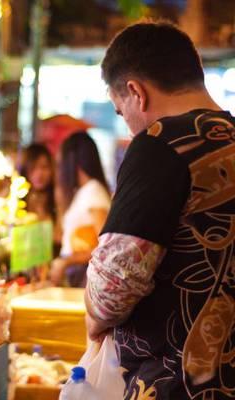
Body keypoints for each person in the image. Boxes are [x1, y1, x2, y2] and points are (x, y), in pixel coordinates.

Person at [84, 21, 235, 399]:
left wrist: (92, 315)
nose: (128, 123)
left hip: (178, 381)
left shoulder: (160, 143)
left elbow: (115, 285)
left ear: (135, 91)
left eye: (121, 111)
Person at [51, 133, 111, 287]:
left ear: (71, 160)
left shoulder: (93, 191)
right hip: (78, 274)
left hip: (83, 275)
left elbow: (105, 246)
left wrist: (67, 261)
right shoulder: (85, 191)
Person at [19, 143, 56, 223]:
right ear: (25, 170)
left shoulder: (57, 198)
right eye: (33, 167)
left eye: (44, 167)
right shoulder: (16, 198)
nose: (39, 174)